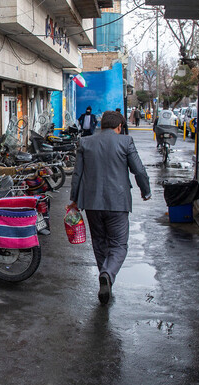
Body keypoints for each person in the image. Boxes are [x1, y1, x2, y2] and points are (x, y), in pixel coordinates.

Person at [68, 111, 151, 305]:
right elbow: (139, 170)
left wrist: (74, 200)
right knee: (119, 245)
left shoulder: (86, 142)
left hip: (92, 203)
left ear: (102, 125)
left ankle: (105, 280)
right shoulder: (126, 142)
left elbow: (77, 174)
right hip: (118, 203)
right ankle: (107, 274)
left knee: (99, 242)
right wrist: (146, 191)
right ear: (119, 127)